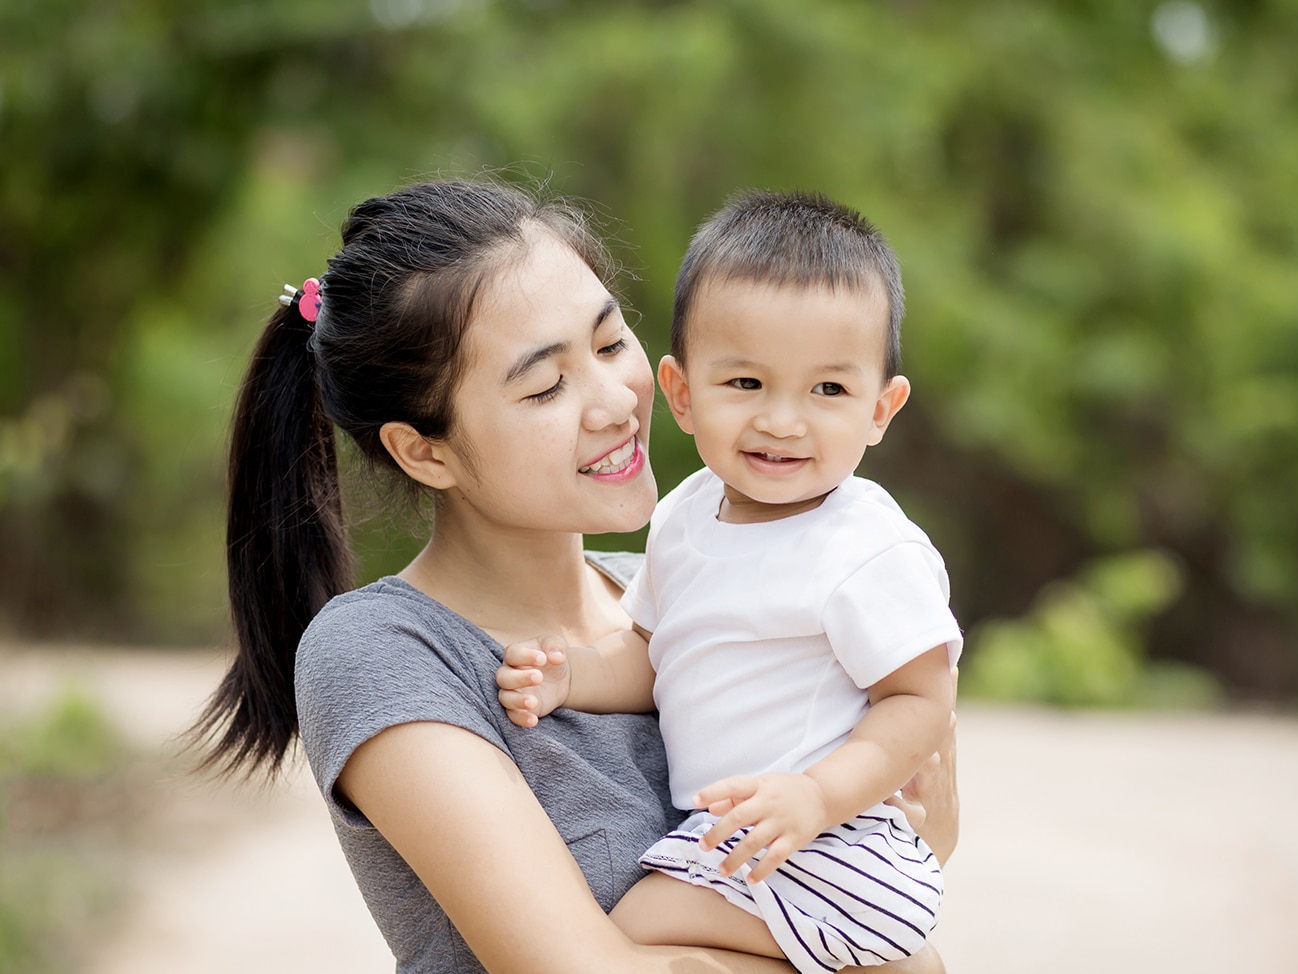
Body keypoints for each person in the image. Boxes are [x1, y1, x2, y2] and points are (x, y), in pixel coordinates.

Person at [191, 178, 958, 974]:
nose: (613, 402)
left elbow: (922, 833)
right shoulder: (387, 653)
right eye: (546, 385)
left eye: (609, 342)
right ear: (425, 450)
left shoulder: (694, 583)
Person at [497, 190, 962, 973]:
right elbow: (653, 656)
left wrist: (817, 795)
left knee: (627, 931)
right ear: (680, 393)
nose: (783, 421)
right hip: (758, 846)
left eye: (829, 391)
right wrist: (568, 676)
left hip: (838, 849)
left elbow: (923, 698)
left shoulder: (865, 543)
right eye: (745, 385)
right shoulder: (682, 518)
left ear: (882, 408)